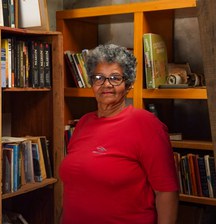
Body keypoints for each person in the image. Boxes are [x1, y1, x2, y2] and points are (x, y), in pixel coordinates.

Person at [59, 44, 179, 224]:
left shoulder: (146, 124)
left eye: (115, 78)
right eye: (99, 77)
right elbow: (74, 190)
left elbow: (166, 192)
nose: (106, 84)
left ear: (128, 84)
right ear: (92, 83)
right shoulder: (84, 122)